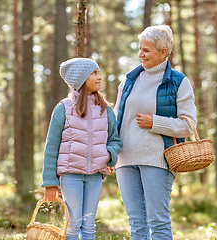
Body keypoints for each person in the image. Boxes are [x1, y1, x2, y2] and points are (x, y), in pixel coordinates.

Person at [113, 25, 197, 239]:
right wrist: (109, 154)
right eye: (140, 49)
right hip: (125, 160)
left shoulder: (178, 82)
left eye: (147, 50)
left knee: (158, 222)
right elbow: (115, 119)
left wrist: (155, 122)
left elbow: (189, 125)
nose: (141, 54)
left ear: (163, 52)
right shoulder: (129, 80)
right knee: (136, 223)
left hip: (157, 159)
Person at [41, 58, 122, 240]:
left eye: (98, 72)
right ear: (81, 78)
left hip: (95, 176)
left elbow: (115, 140)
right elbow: (51, 147)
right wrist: (50, 182)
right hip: (70, 176)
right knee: (73, 223)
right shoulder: (63, 109)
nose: (99, 77)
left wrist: (109, 155)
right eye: (94, 73)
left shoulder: (105, 110)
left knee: (89, 224)